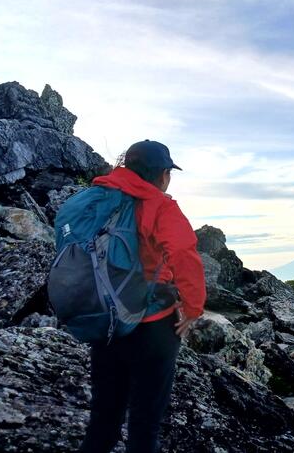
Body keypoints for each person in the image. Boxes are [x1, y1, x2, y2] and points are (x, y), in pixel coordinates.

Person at [80, 140, 206, 453]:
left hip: (106, 321)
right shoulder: (161, 207)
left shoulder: (98, 199)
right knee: (144, 428)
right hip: (152, 325)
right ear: (163, 175)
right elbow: (182, 253)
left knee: (103, 423)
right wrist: (192, 308)